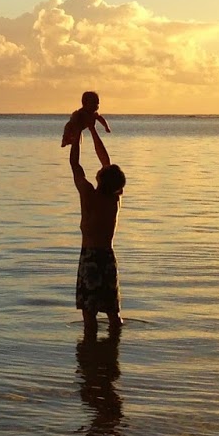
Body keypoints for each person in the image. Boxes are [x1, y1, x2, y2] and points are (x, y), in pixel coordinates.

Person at [71, 128, 126, 338]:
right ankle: (113, 352)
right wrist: (92, 129)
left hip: (90, 258)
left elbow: (75, 166)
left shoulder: (87, 194)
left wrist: (77, 138)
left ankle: (90, 357)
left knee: (89, 317)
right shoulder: (115, 199)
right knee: (113, 313)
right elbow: (106, 162)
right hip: (108, 258)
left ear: (100, 179)